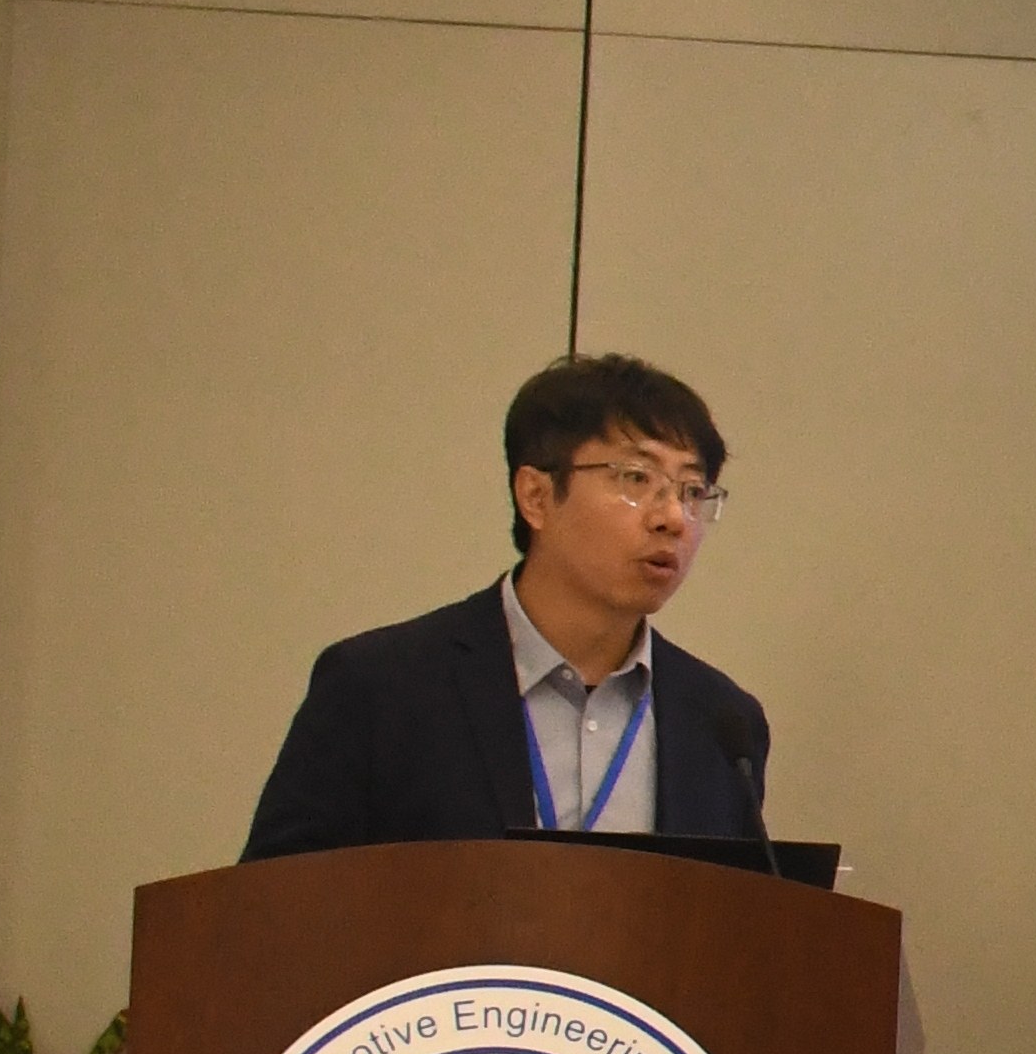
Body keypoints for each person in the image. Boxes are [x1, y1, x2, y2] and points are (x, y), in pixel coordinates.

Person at [241, 354, 774, 860]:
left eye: (692, 490)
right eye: (636, 478)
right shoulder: (380, 688)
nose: (674, 518)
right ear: (536, 496)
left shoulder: (723, 724)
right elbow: (276, 902)